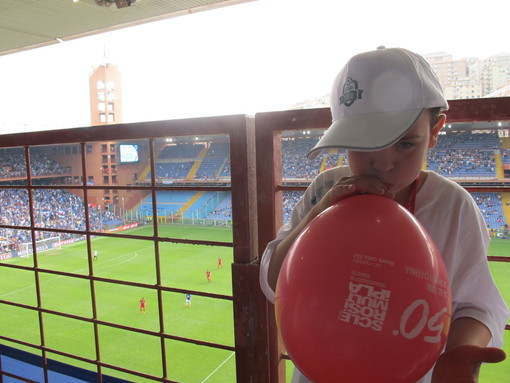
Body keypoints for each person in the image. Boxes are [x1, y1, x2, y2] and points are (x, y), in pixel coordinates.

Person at [259, 47, 509, 383]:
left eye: (405, 143)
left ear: (435, 131)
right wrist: (319, 212)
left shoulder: (454, 207)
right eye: (363, 144)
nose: (383, 162)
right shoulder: (325, 187)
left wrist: (462, 351)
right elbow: (275, 281)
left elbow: (479, 305)